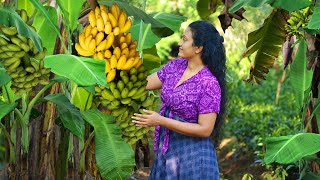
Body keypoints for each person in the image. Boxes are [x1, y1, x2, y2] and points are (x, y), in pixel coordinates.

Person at [131, 20, 227, 179]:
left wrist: (161, 121)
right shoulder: (176, 66)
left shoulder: (209, 83)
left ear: (198, 48)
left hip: (193, 158)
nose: (180, 43)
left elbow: (205, 129)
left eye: (185, 39)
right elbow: (145, 83)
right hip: (168, 152)